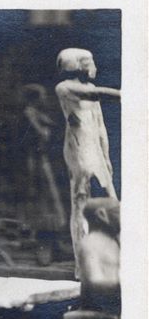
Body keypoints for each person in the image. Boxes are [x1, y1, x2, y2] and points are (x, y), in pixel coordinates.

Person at [54, 48, 121, 278]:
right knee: (80, 205)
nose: (93, 66)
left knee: (111, 201)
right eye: (89, 62)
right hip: (79, 150)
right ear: (77, 65)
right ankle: (81, 266)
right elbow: (93, 95)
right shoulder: (64, 88)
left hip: (94, 150)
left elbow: (100, 125)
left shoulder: (90, 89)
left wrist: (107, 155)